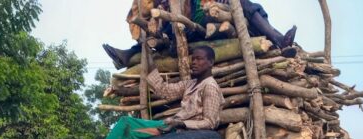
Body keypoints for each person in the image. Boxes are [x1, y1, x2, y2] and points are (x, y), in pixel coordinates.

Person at [62, 45, 224, 139]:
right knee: (127, 131)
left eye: (199, 59)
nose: (194, 62)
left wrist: (181, 122)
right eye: (192, 58)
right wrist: (150, 59)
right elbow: (163, 90)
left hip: (181, 131)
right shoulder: (191, 84)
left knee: (127, 127)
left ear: (210, 62)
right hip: (171, 126)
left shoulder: (210, 87)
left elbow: (210, 122)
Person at [103, 0, 297, 69]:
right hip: (196, 28)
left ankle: (279, 40)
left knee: (250, 6)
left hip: (226, 26)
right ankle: (129, 54)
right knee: (169, 26)